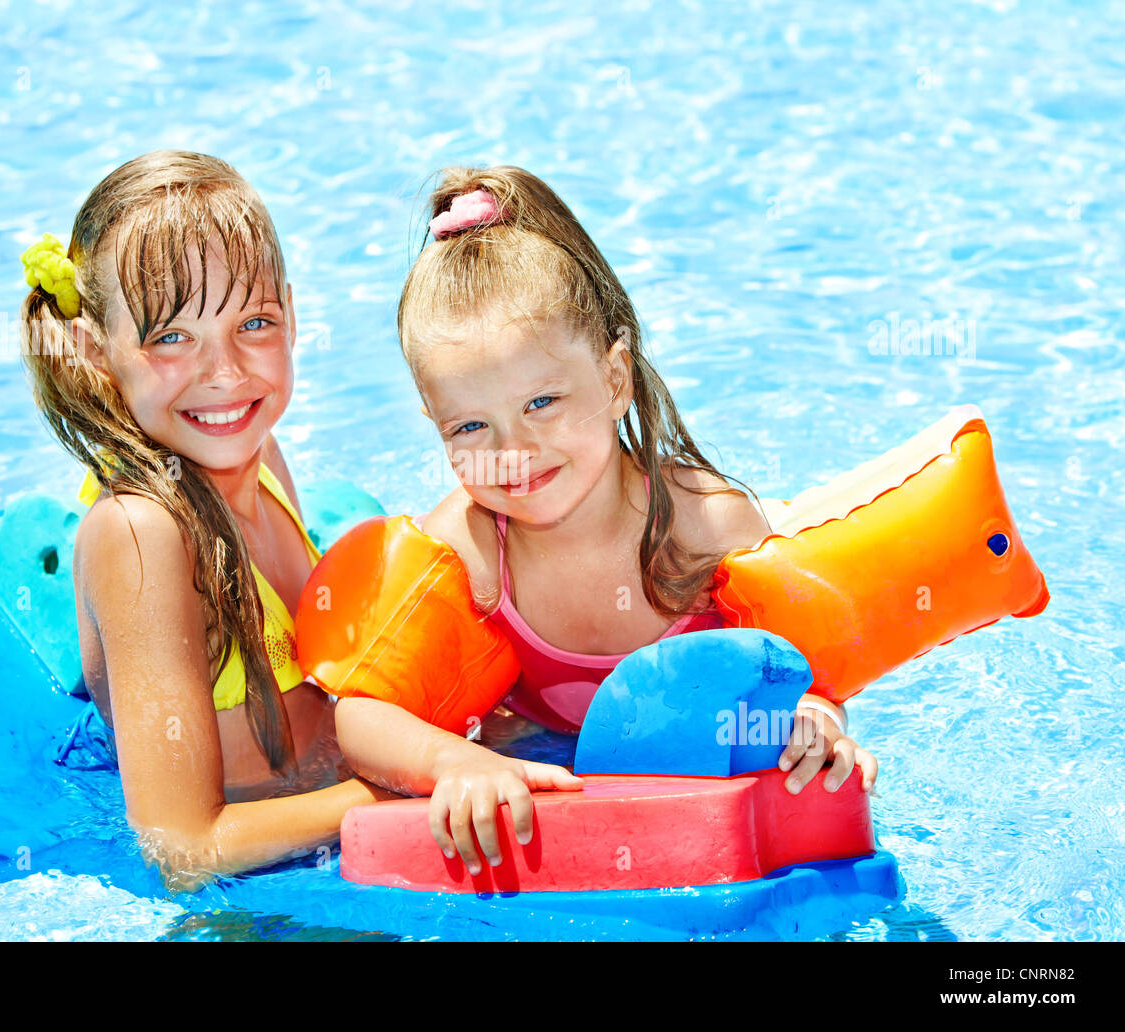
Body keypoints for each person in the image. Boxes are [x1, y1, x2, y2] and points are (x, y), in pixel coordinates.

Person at [330, 166, 877, 875]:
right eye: (470, 425)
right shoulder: (466, 549)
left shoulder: (708, 530)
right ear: (432, 423)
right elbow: (361, 714)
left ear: (615, 378)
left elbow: (812, 680)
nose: (512, 453)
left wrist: (816, 727)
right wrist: (454, 762)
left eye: (542, 403)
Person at [19, 150, 393, 891]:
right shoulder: (144, 537)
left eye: (253, 322)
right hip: (254, 909)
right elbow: (182, 846)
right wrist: (396, 797)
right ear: (98, 352)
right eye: (170, 338)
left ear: (292, 313)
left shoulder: (262, 452)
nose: (225, 373)